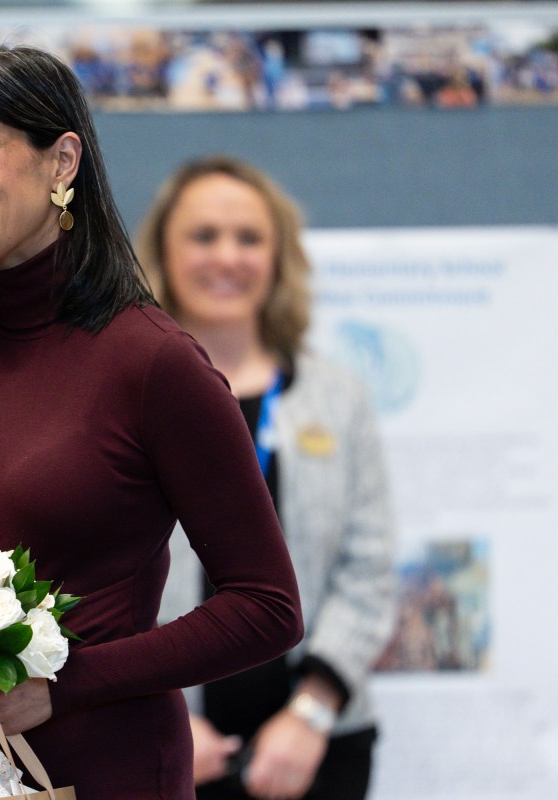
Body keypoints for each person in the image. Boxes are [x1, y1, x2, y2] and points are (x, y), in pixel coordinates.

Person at [0, 45, 303, 799]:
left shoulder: (154, 363)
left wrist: (66, 681)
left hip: (119, 767)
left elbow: (266, 607)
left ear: (62, 160)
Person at [139, 156, 397, 800]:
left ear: (278, 257)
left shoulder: (338, 399)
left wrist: (312, 713)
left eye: (249, 238)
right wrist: (161, 710)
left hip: (319, 744)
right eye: (203, 236)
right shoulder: (120, 400)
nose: (228, 256)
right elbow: (91, 572)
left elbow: (369, 571)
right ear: (164, 256)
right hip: (157, 742)